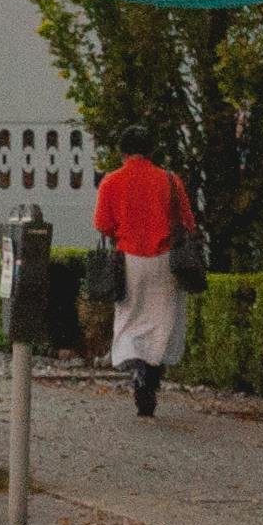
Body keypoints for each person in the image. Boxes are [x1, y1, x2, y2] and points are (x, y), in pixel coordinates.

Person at [92, 135, 200, 419]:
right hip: (166, 261)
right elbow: (187, 221)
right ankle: (152, 374)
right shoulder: (169, 180)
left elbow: (102, 223)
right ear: (151, 150)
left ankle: (137, 368)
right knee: (163, 320)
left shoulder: (111, 181)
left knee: (129, 318)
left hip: (129, 260)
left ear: (122, 151)